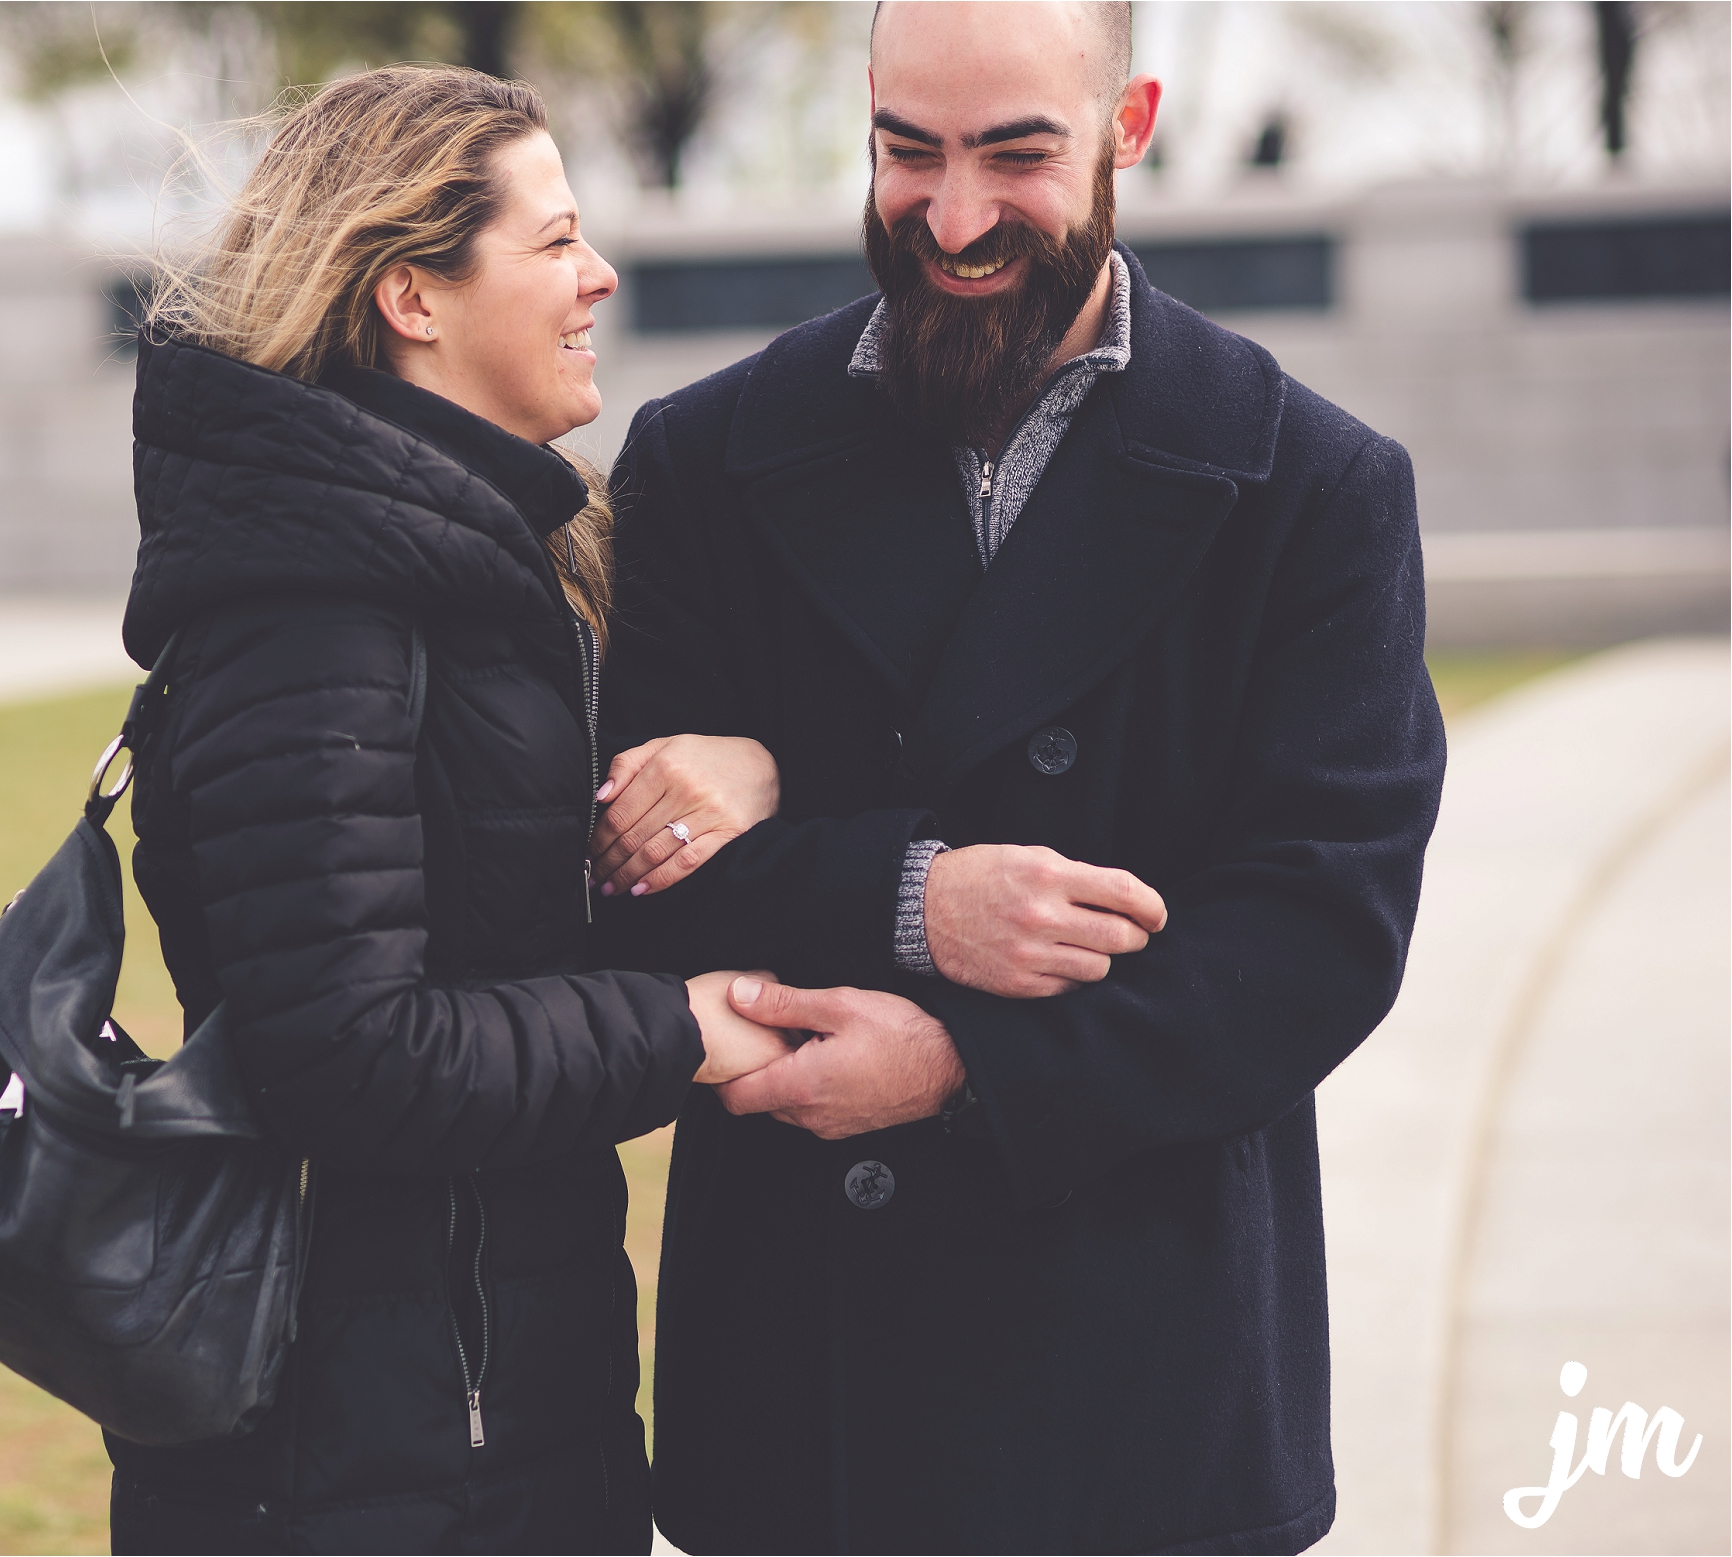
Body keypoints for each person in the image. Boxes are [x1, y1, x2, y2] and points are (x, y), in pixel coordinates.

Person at [589, 3, 1448, 1552]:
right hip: (805, 1384)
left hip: (1147, 1378)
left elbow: (1324, 934)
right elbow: (628, 891)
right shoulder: (703, 462)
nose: (957, 215)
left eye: (1016, 153)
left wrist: (969, 1065)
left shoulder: (1314, 488)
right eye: (906, 150)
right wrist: (917, 898)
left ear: (1130, 125)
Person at [109, 66, 793, 1555]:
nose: (598, 273)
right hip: (359, 1461)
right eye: (553, 242)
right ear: (414, 297)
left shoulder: (489, 566)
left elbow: (515, 908)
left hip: (491, 1415)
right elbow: (347, 1054)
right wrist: (683, 1029)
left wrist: (755, 768)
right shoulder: (311, 610)